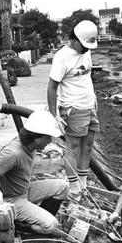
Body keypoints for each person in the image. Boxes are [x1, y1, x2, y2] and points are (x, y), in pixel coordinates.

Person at [0, 111, 69, 235]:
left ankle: (36, 217)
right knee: (51, 224)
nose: (50, 140)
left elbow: (35, 146)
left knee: (63, 186)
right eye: (47, 138)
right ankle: (21, 224)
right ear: (36, 138)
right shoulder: (13, 154)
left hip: (23, 190)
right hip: (12, 200)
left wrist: (46, 149)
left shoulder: (30, 144)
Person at [47, 20, 99, 203]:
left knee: (88, 146)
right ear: (75, 39)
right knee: (74, 148)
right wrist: (55, 114)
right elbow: (52, 87)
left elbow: (87, 77)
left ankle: (83, 185)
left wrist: (94, 100)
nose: (86, 49)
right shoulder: (62, 57)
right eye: (84, 45)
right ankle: (74, 188)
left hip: (89, 106)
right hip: (73, 108)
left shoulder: (87, 51)